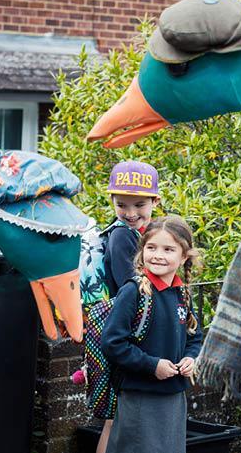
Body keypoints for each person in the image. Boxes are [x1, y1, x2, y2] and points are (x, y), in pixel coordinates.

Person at [101, 216, 203, 453]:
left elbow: (194, 337)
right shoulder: (133, 291)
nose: (158, 254)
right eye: (151, 247)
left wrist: (191, 357)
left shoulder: (182, 293)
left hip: (174, 396)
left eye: (168, 249)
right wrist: (151, 365)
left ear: (184, 256)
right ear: (142, 250)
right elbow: (113, 342)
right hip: (141, 395)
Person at [96, 160, 162, 453]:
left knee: (118, 417)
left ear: (154, 201)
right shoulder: (122, 234)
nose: (130, 213)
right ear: (111, 200)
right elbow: (131, 287)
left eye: (139, 205)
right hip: (122, 330)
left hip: (123, 327)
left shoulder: (141, 234)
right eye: (122, 204)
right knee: (114, 418)